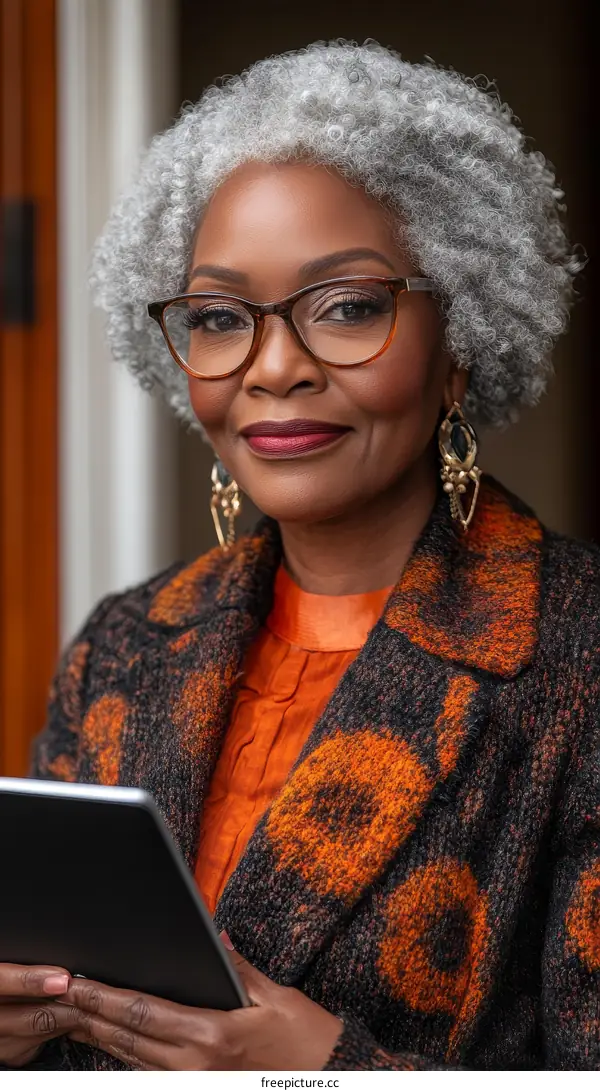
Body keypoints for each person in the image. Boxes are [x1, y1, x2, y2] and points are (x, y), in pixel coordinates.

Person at [1, 40, 598, 1072]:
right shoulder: (127, 644)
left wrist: (323, 1071)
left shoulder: (578, 652)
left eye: (348, 306)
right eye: (223, 318)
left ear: (460, 334)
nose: (274, 367)